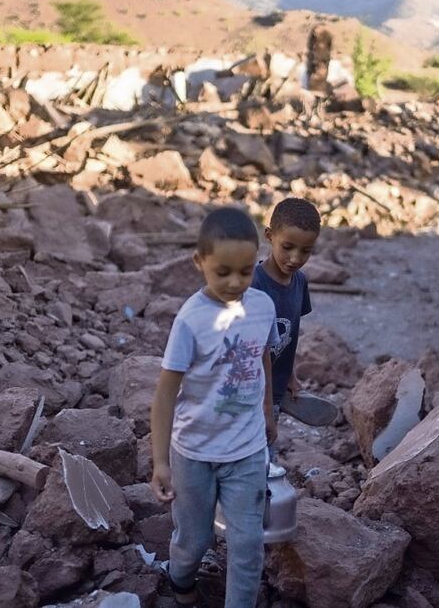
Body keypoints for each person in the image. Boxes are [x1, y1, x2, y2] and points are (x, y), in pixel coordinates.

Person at [149, 206, 279, 608]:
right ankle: (181, 581)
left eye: (245, 271)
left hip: (247, 450)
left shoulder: (262, 307)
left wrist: (268, 409)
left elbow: (262, 358)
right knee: (194, 538)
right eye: (222, 272)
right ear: (199, 262)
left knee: (247, 542)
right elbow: (166, 392)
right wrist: (161, 462)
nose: (235, 282)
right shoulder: (191, 320)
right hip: (194, 453)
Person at [251, 198, 320, 422]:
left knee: (266, 445)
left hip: (275, 391)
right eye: (287, 247)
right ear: (269, 235)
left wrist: (289, 375)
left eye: (305, 251)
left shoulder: (299, 282)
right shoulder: (253, 285)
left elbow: (288, 337)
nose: (295, 259)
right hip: (247, 391)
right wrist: (265, 403)